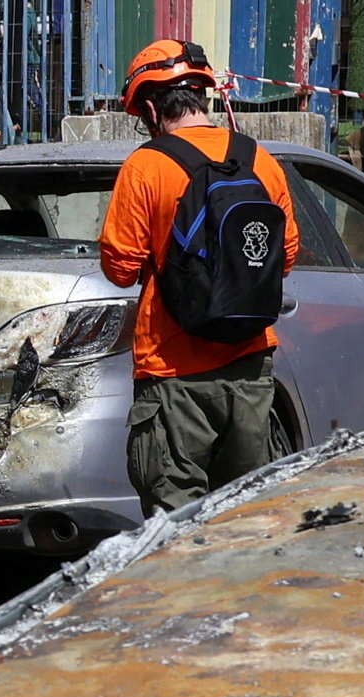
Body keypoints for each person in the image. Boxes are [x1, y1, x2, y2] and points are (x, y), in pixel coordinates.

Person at [95, 37, 305, 511]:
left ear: (151, 107)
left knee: (176, 524)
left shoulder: (146, 166)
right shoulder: (260, 160)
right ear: (202, 94)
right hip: (250, 366)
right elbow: (285, 257)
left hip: (172, 372)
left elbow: (120, 269)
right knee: (248, 515)